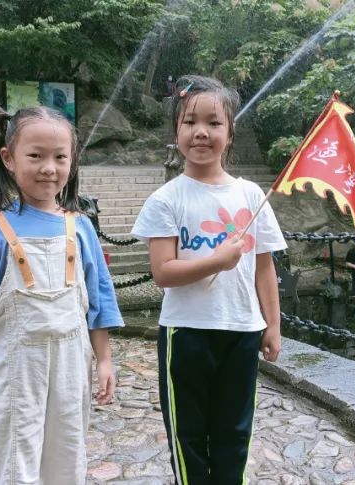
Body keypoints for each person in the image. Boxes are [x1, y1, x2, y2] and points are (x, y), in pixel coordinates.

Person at [0, 106, 122, 484]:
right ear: (9, 158)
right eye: (35, 156)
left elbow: (98, 302)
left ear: (72, 160)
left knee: (66, 449)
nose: (48, 168)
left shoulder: (81, 228)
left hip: (71, 367)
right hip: (15, 372)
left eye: (60, 157)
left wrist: (104, 360)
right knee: (13, 452)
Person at [130, 74, 287, 485]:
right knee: (188, 434)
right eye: (190, 122)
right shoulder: (166, 199)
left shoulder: (251, 196)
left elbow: (264, 267)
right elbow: (163, 273)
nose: (201, 132)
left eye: (214, 123)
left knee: (234, 431)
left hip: (242, 330)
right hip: (186, 332)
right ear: (176, 132)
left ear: (230, 134)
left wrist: (272, 325)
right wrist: (217, 261)